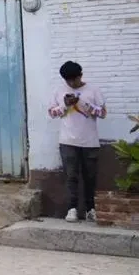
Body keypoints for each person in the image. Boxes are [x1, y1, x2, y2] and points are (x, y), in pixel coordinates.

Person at [47, 60, 106, 222]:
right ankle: (72, 209)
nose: (72, 83)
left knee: (90, 177)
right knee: (71, 176)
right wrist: (64, 105)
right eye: (68, 80)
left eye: (74, 79)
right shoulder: (59, 91)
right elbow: (52, 113)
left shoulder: (93, 90)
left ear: (81, 75)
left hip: (90, 142)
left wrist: (82, 102)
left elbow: (102, 113)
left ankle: (90, 209)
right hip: (67, 141)